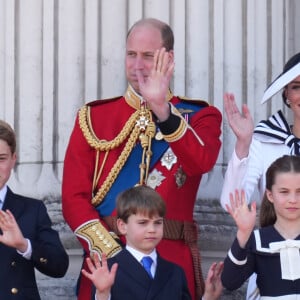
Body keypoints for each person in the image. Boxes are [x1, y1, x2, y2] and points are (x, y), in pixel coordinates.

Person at [62, 18, 222, 300]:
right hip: (107, 265)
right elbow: (73, 199)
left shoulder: (199, 117)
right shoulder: (93, 118)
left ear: (169, 58)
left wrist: (163, 111)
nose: (137, 65)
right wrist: (113, 255)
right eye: (131, 54)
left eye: (148, 56)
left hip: (171, 266)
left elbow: (201, 162)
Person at [220, 52, 300, 299]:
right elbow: (233, 202)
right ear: (286, 94)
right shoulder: (266, 140)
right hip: (270, 260)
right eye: (297, 87)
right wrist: (244, 143)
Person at [81, 185, 224, 300]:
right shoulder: (109, 270)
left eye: (158, 223)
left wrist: (208, 297)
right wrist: (102, 294)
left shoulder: (175, 272)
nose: (152, 230)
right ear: (122, 226)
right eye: (143, 223)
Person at [0, 120, 69, 299]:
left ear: (13, 159)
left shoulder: (32, 209)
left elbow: (59, 266)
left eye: (1, 158)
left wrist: (24, 245)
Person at [221, 155, 300, 298]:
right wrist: (244, 233)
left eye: (299, 192)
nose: (293, 200)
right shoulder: (257, 240)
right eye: (284, 192)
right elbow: (229, 281)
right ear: (270, 195)